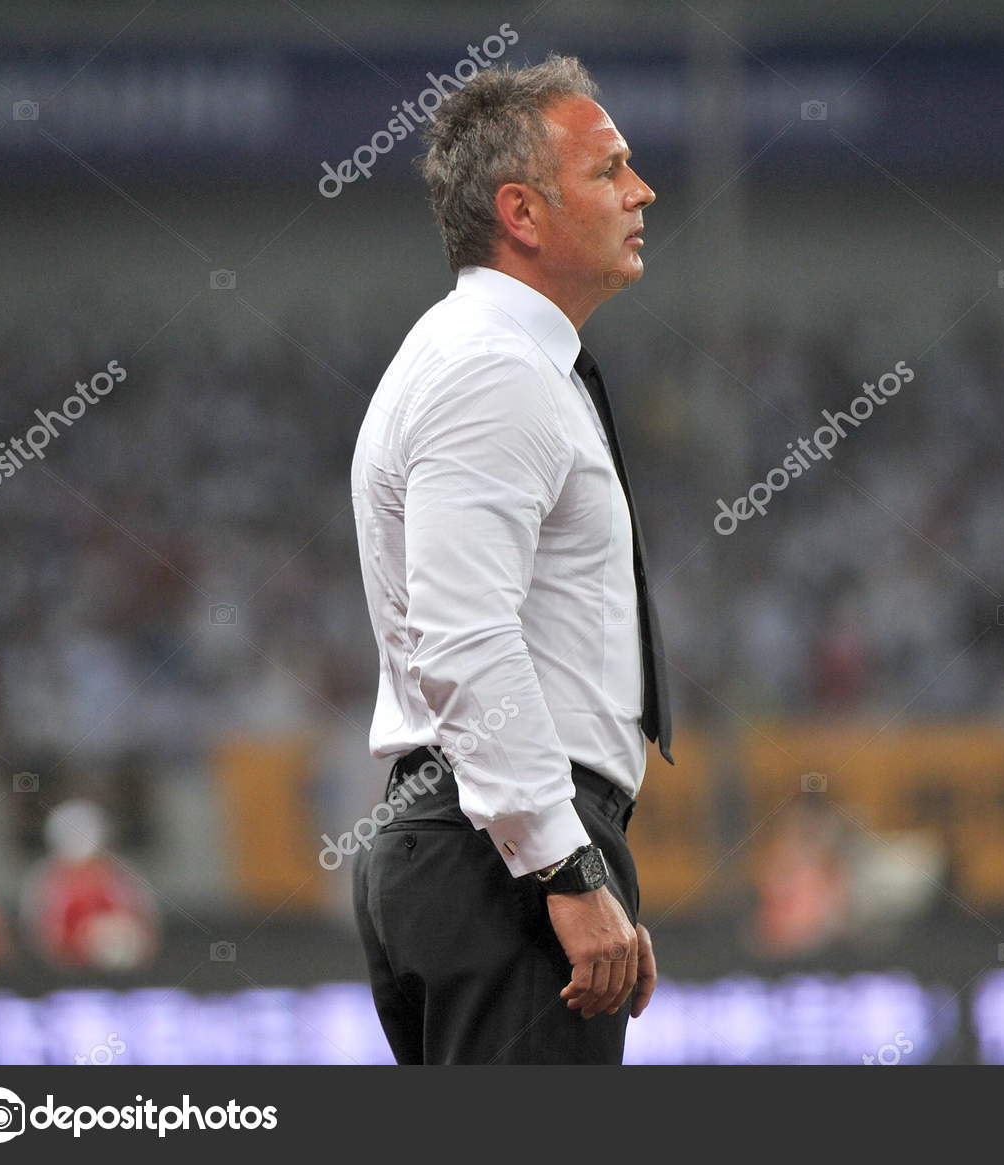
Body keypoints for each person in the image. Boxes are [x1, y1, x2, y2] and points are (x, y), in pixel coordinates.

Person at [349, 53, 672, 1064]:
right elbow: (466, 638)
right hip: (498, 853)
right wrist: (565, 870)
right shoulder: (492, 367)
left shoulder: (489, 356)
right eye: (608, 168)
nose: (641, 190)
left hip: (481, 836)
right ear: (521, 212)